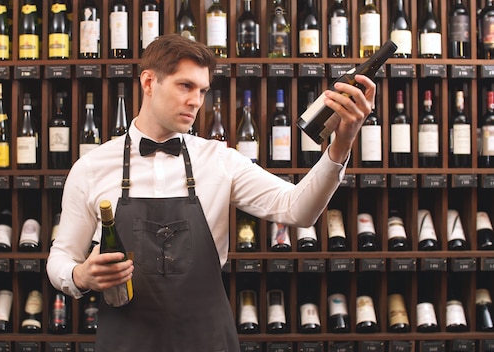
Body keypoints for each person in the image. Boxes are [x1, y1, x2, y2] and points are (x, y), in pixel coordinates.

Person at [47, 33, 375, 352]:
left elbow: (298, 209)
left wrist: (342, 142)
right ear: (149, 82)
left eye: (202, 90)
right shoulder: (91, 167)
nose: (196, 101)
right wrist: (80, 275)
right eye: (185, 86)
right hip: (126, 340)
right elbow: (61, 258)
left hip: (207, 339)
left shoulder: (220, 161)